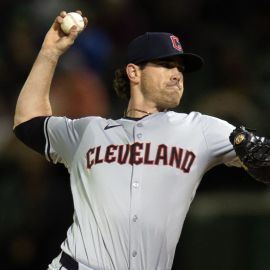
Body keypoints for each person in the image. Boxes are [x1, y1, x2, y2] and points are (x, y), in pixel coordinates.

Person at [13, 10, 270, 270]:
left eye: (180, 68)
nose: (177, 74)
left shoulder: (199, 129)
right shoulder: (88, 131)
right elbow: (27, 123)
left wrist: (255, 151)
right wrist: (49, 53)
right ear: (134, 72)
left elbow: (263, 156)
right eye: (166, 65)